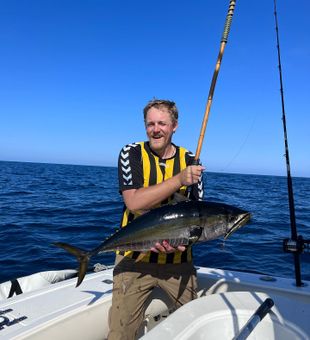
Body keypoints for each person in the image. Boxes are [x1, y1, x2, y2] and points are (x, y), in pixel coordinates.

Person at [108, 99, 204, 340]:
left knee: (196, 327)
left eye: (162, 123)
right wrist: (179, 180)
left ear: (174, 127)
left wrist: (185, 242)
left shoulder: (191, 160)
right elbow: (134, 203)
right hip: (133, 260)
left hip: (179, 262)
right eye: (150, 123)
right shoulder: (131, 153)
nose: (155, 129)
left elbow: (195, 218)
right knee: (121, 333)